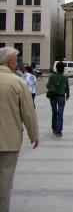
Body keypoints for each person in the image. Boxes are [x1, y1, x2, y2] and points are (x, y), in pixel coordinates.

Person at [0, 47, 39, 212]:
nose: (17, 64)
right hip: (8, 140)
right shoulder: (17, 82)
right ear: (10, 62)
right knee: (4, 181)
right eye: (16, 61)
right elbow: (28, 112)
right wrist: (34, 134)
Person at [47, 61, 70, 137]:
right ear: (63, 69)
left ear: (56, 68)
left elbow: (47, 86)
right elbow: (67, 88)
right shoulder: (65, 77)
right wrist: (67, 95)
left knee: (54, 113)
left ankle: (54, 128)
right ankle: (59, 130)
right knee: (60, 114)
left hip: (53, 96)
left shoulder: (52, 76)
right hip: (61, 96)